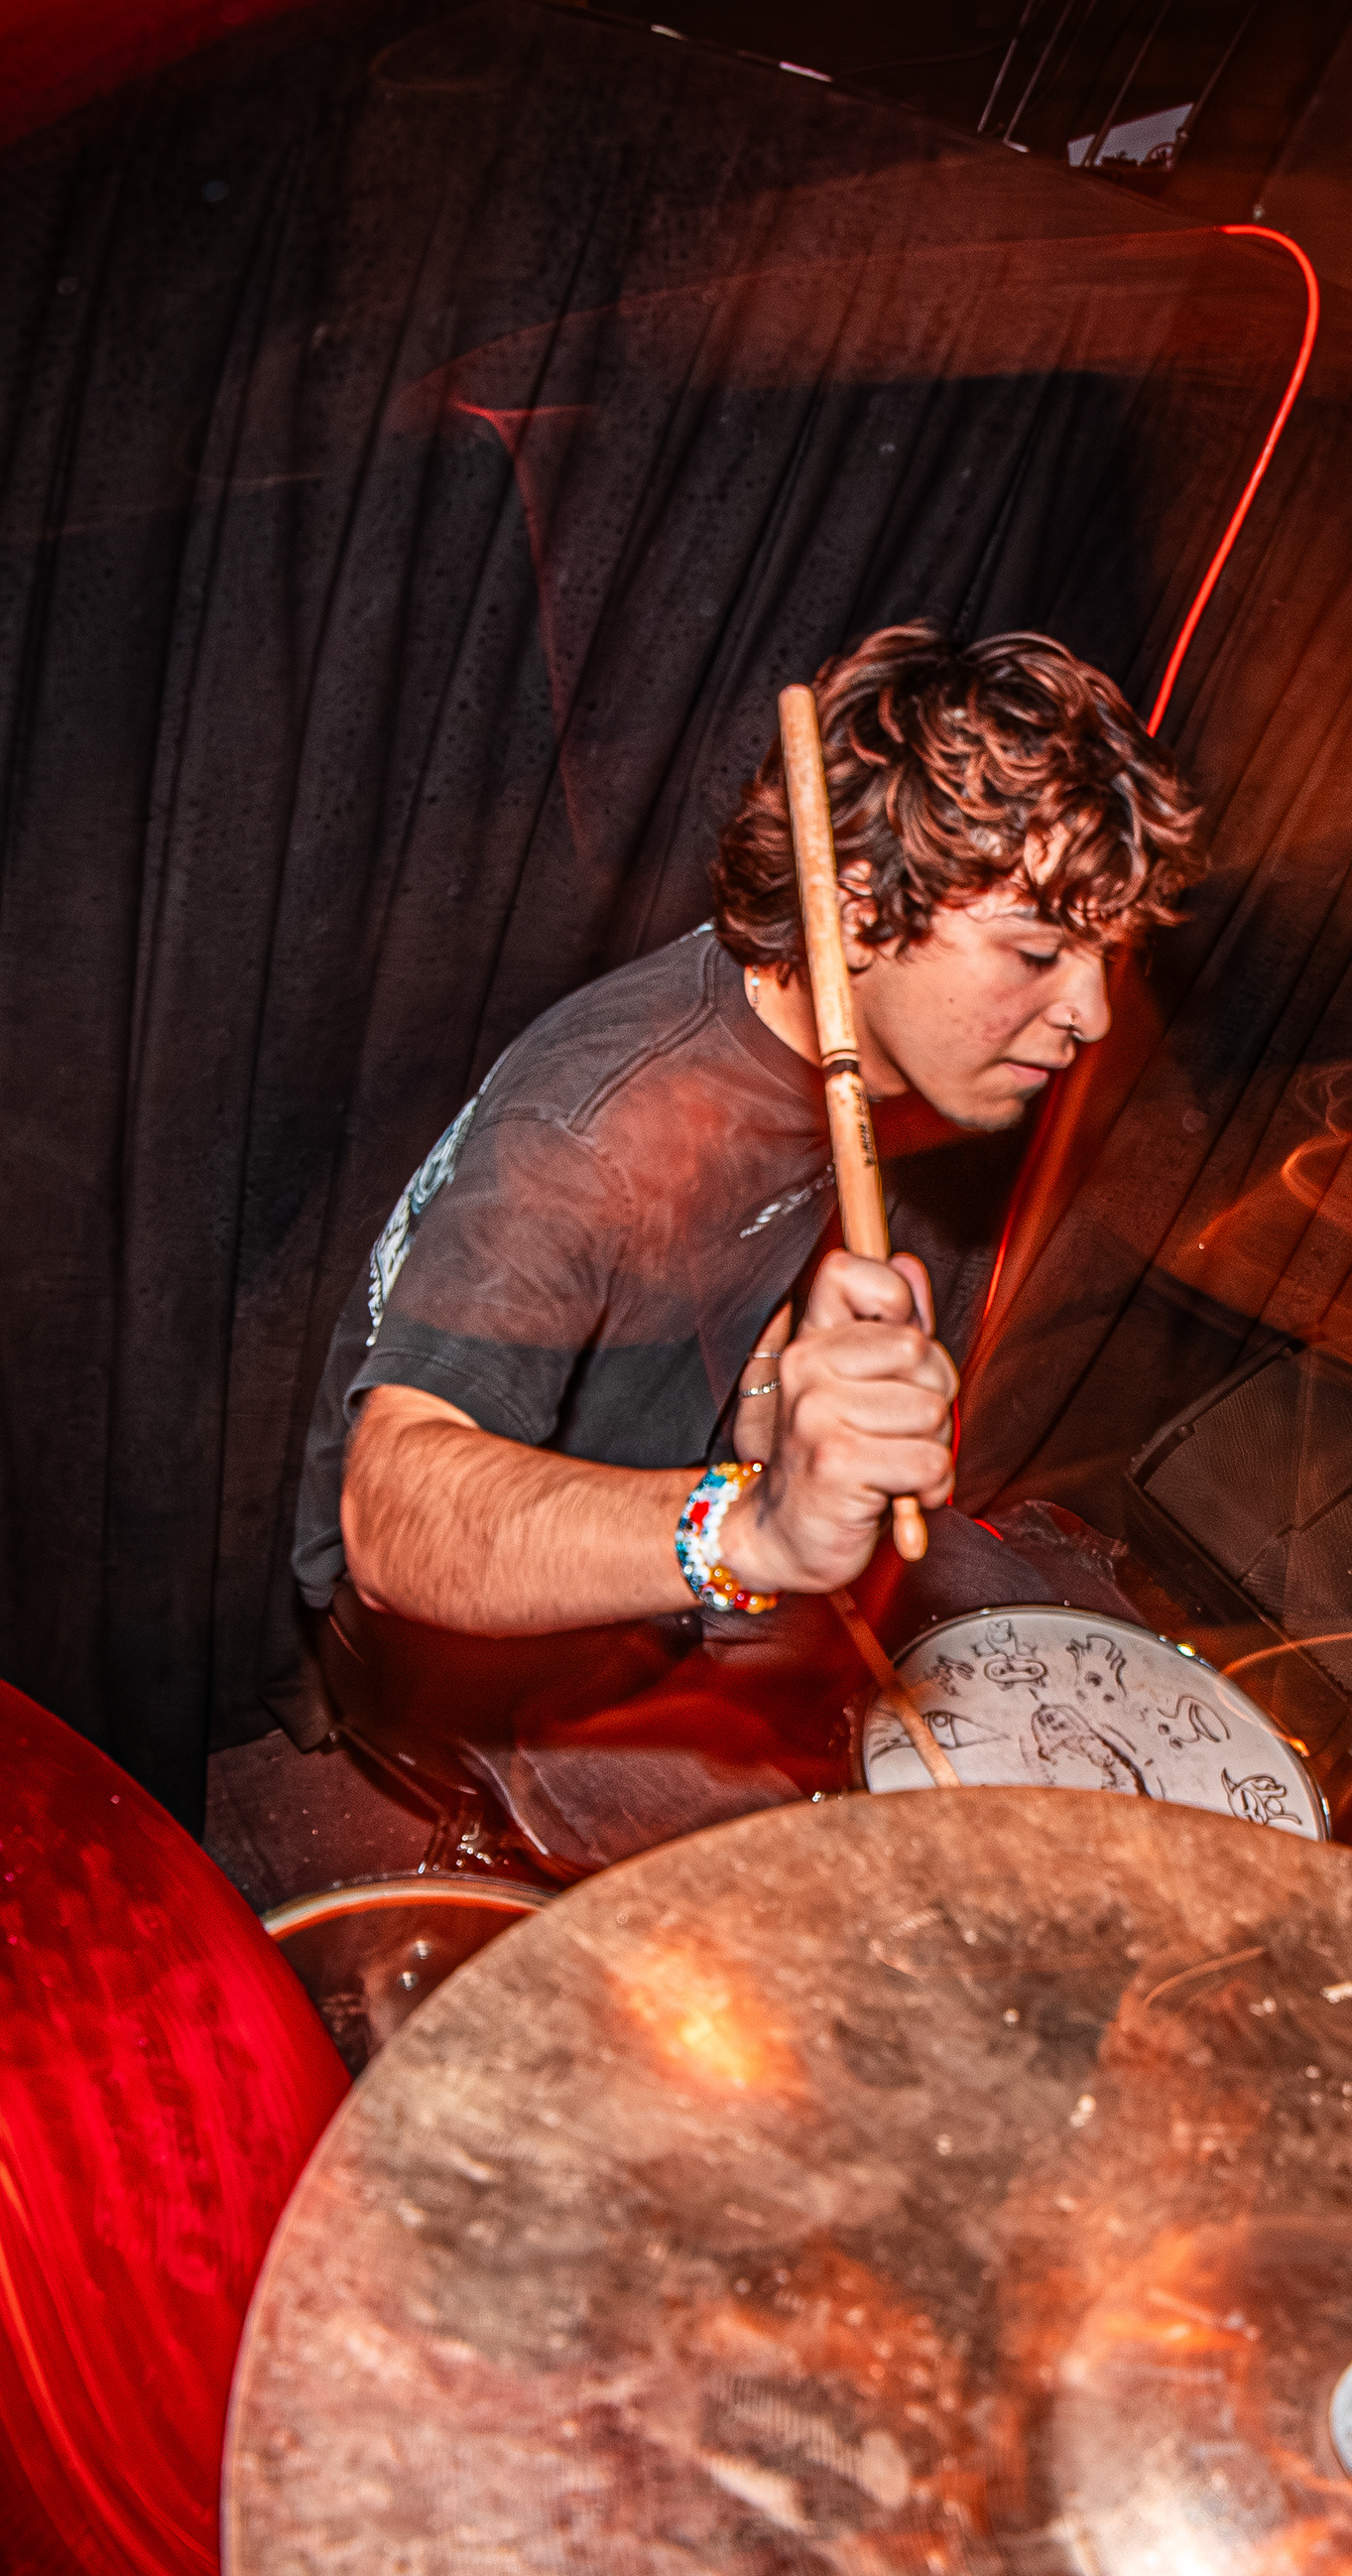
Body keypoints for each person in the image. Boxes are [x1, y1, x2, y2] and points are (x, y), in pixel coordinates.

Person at [286, 623, 1204, 1843]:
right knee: (847, 1880)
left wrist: (777, 1393)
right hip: (456, 1653)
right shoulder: (600, 1132)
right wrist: (755, 1530)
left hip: (670, 1539)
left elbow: (708, 1328)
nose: (1088, 1011)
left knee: (1078, 1659)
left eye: (1106, 956)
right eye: (1038, 952)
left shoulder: (829, 1051)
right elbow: (392, 1516)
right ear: (858, 908)